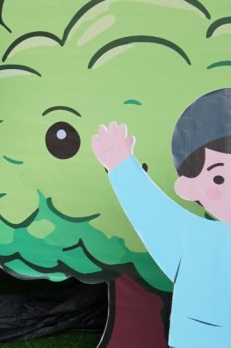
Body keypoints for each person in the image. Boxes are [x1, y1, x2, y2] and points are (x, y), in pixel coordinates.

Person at [92, 88, 231, 347]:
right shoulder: (192, 238)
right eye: (219, 178)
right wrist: (122, 166)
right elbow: (151, 211)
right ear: (189, 187)